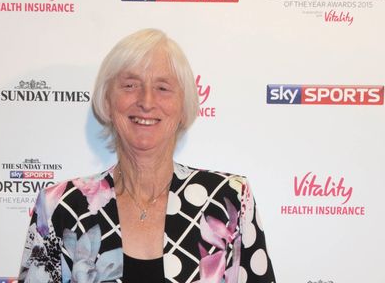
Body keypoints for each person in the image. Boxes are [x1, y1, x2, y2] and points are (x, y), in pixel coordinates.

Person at [18, 29, 275, 283]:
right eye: (130, 85)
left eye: (163, 88)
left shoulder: (228, 198)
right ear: (107, 101)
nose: (147, 101)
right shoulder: (60, 206)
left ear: (183, 107)